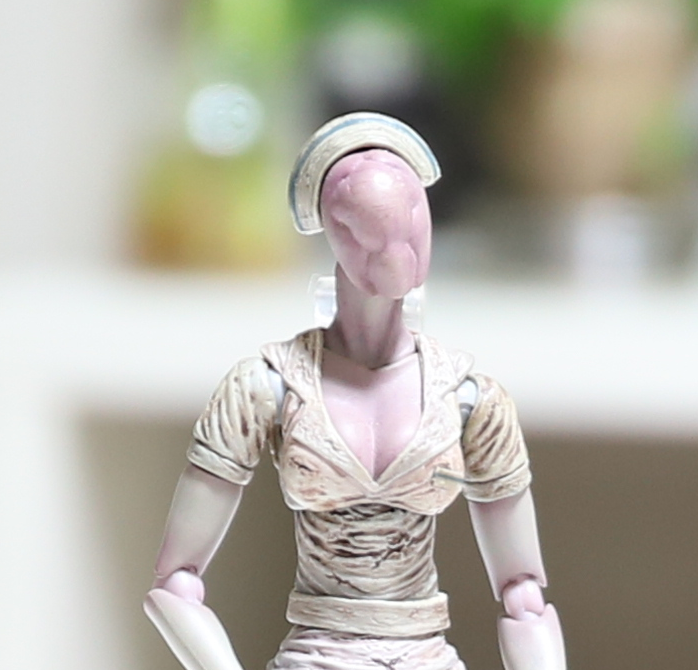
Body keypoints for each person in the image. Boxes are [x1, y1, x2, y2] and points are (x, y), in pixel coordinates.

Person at [144, 113, 566, 670]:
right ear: (334, 231)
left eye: (408, 219)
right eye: (367, 227)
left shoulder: (470, 400)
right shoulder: (267, 387)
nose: (394, 248)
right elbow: (176, 583)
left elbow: (524, 595)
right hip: (316, 654)